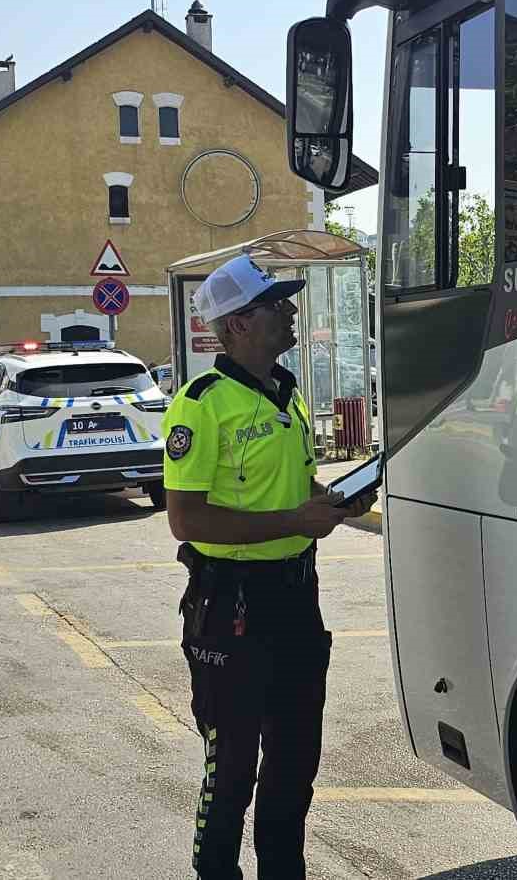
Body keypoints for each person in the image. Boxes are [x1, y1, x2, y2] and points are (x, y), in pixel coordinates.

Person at [162, 254, 374, 880]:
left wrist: (333, 500)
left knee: (293, 762)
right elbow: (188, 521)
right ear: (234, 327)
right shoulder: (200, 405)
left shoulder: (288, 392)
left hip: (294, 601)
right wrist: (293, 523)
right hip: (231, 608)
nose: (289, 312)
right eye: (274, 305)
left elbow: (290, 486)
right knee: (231, 771)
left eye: (285, 302)